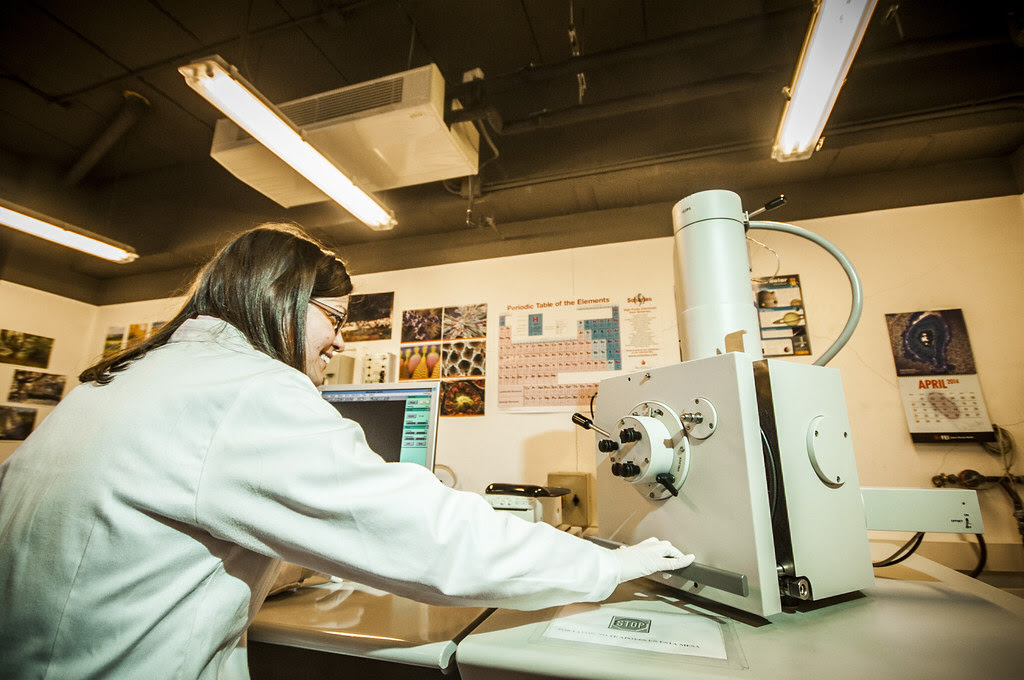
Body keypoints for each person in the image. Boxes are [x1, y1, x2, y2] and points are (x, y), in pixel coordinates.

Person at [0, 224, 694, 679]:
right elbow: (424, 534)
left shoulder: (116, 381)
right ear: (277, 298)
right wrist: (607, 564)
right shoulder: (249, 389)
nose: (340, 341)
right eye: (333, 318)